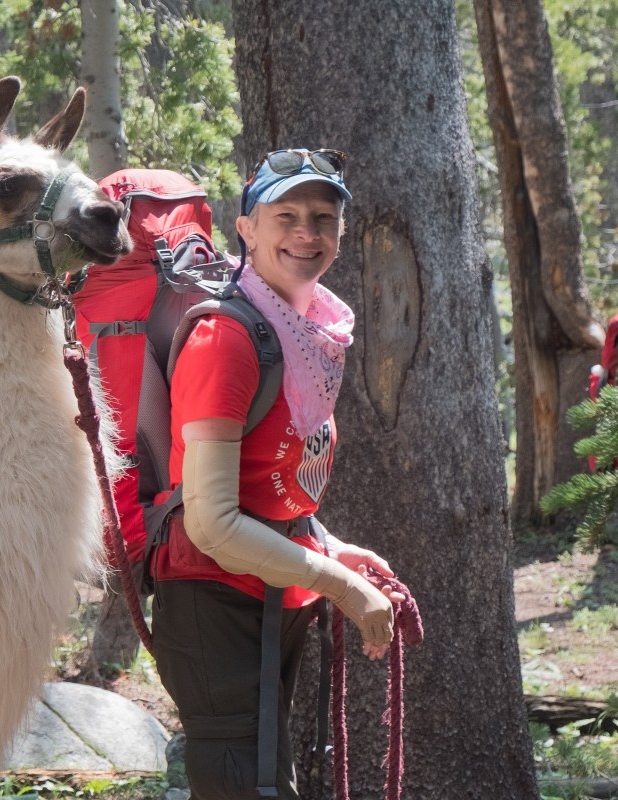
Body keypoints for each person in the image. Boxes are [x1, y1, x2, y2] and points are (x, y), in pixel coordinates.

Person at [149, 148, 403, 800]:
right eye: (284, 214)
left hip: (270, 590)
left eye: (323, 216)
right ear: (247, 230)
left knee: (267, 781)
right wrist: (339, 584)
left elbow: (273, 475)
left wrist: (328, 545)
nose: (306, 232)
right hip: (216, 600)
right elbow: (212, 522)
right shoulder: (228, 340)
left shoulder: (307, 331)